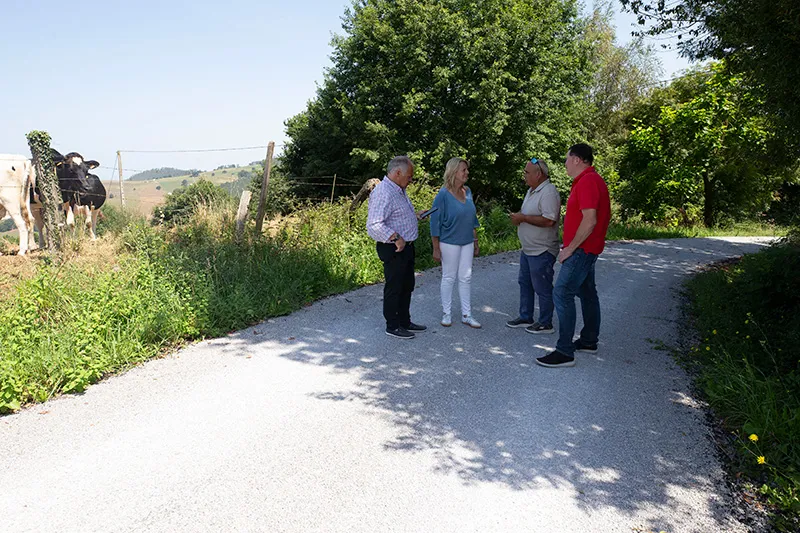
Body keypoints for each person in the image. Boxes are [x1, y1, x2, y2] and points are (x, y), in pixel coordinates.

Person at [536, 143, 611, 368]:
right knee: (587, 293)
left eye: (567, 159)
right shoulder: (591, 180)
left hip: (581, 250)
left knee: (562, 292)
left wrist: (570, 248)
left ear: (577, 159)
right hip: (587, 249)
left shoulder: (587, 181)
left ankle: (564, 351)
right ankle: (588, 340)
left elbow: (590, 220)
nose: (565, 164)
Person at [367, 156, 428, 339]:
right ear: (398, 172)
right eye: (409, 176)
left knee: (407, 285)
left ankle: (404, 321)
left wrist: (415, 216)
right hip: (394, 248)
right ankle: (392, 326)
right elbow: (374, 224)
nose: (411, 180)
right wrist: (395, 237)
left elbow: (396, 216)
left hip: (407, 247)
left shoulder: (398, 190)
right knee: (395, 287)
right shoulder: (383, 192)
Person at [506, 157, 560, 334]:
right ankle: (525, 316)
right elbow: (529, 213)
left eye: (527, 172)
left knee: (542, 286)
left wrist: (523, 218)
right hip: (528, 249)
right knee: (525, 283)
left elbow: (549, 220)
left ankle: (545, 322)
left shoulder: (549, 192)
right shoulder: (532, 191)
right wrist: (519, 217)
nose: (524, 176)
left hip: (542, 249)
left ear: (539, 174)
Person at [430, 157, 481, 328]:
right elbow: (434, 222)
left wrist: (475, 240)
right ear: (453, 172)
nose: (467, 173)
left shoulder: (467, 192)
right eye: (463, 170)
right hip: (449, 242)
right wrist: (436, 247)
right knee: (449, 277)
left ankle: (467, 314)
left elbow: (472, 219)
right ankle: (447, 313)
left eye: (467, 170)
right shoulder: (443, 195)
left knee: (466, 277)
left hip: (467, 241)